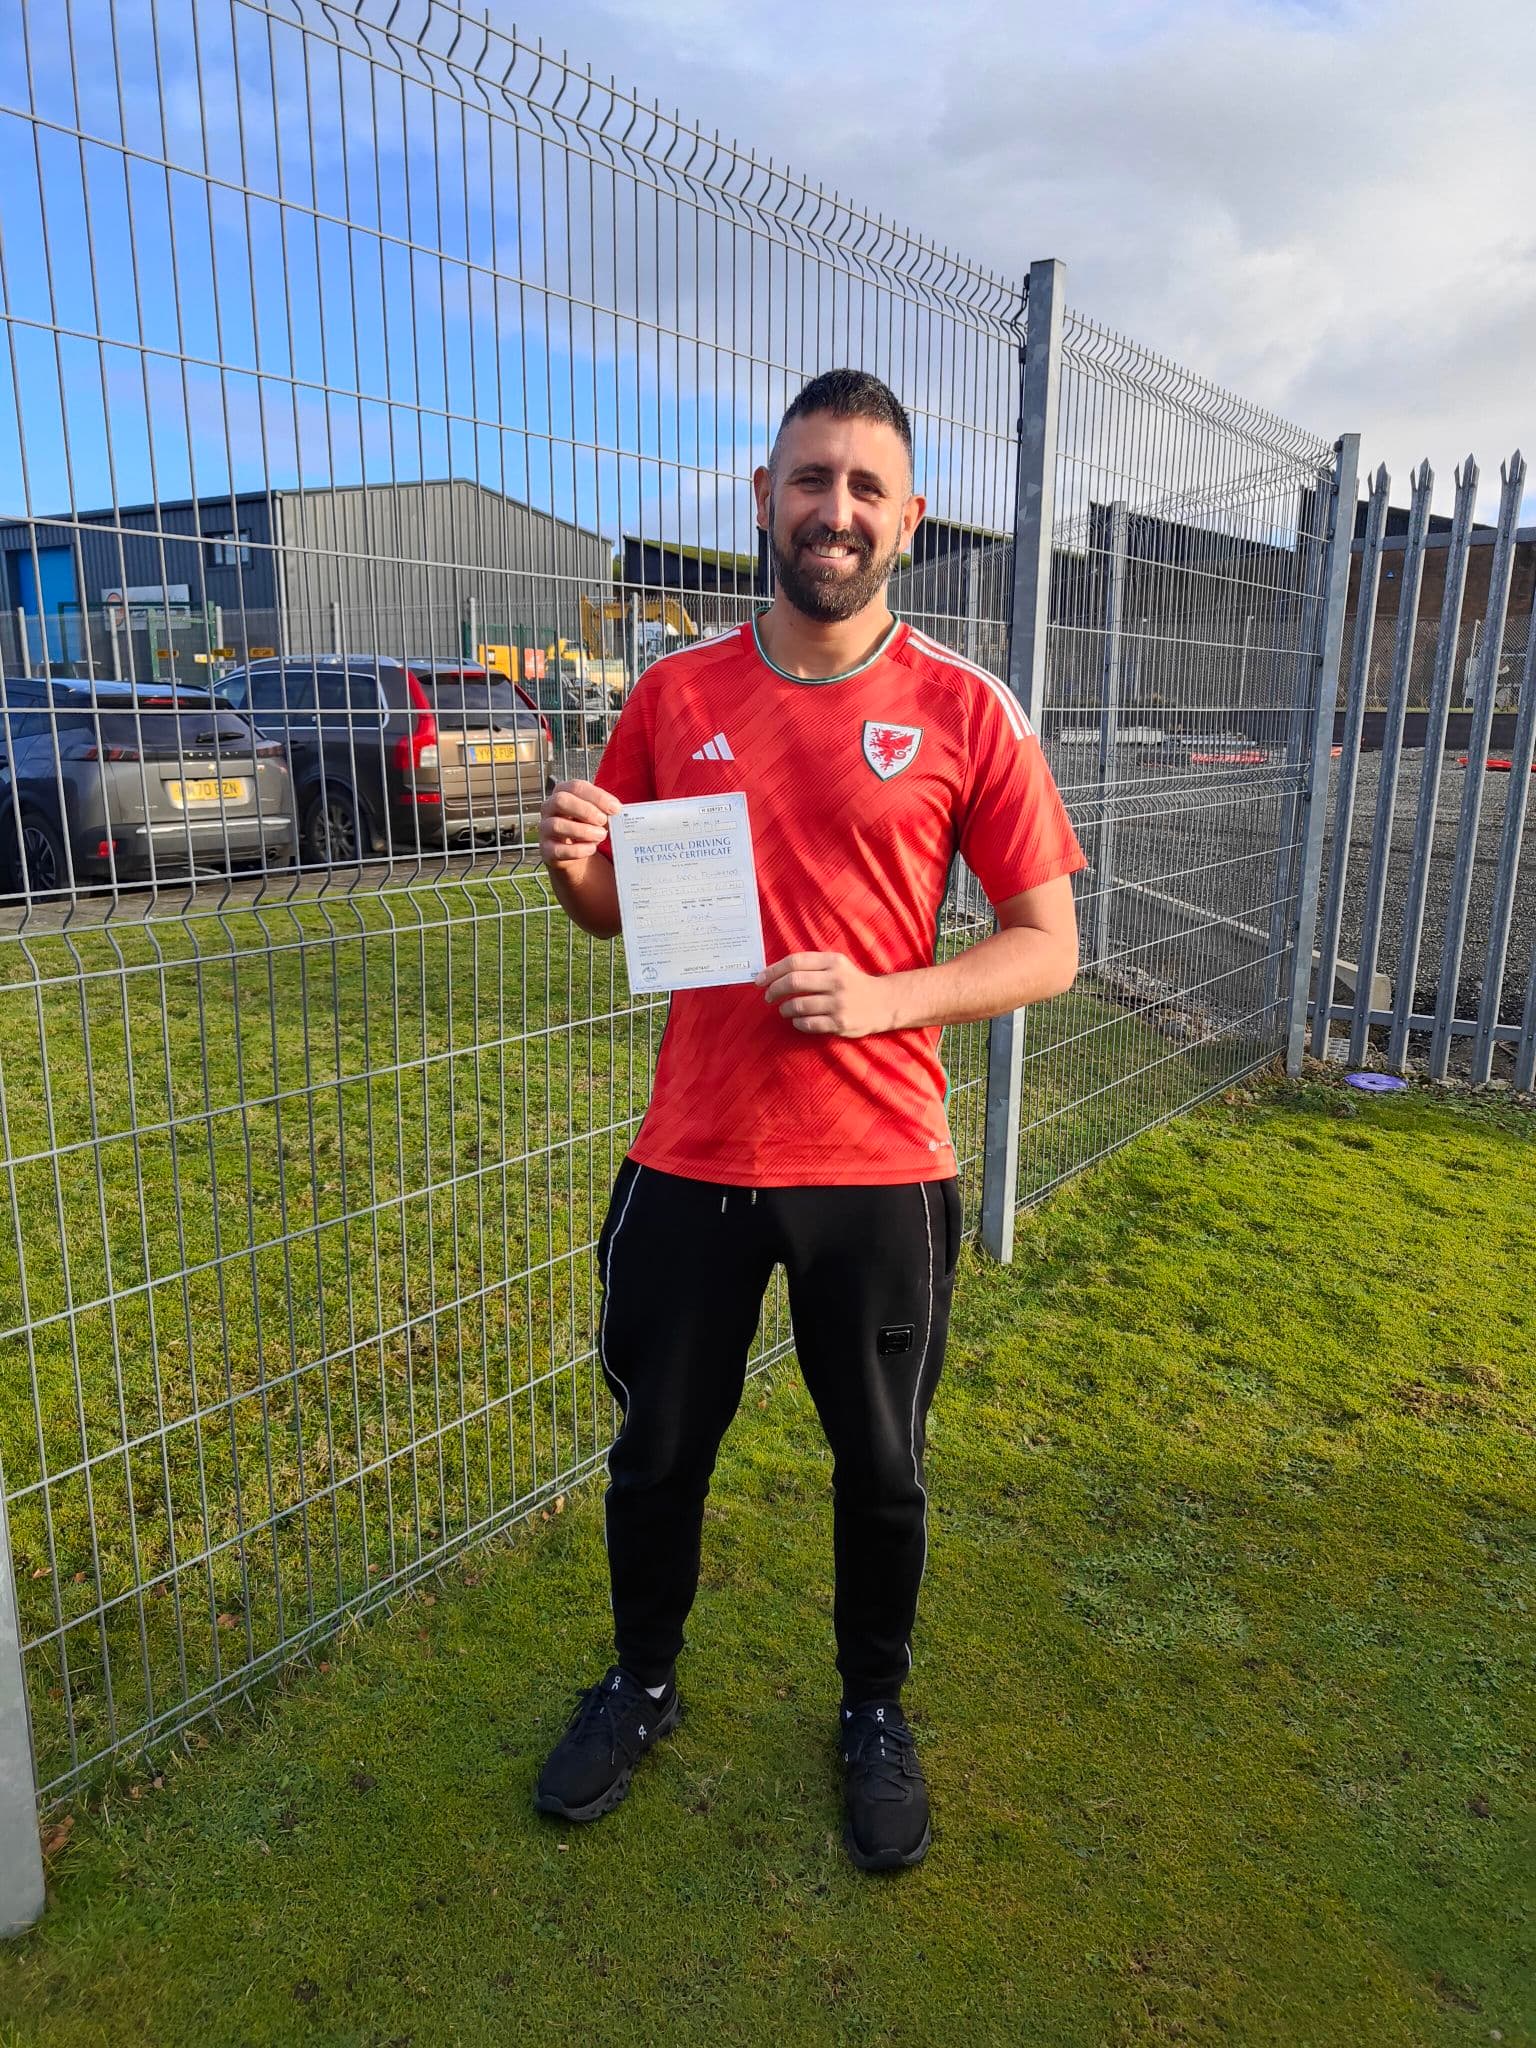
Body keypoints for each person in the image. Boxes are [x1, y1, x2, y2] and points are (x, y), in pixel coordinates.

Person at [532, 368, 1085, 1871]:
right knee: (657, 1454)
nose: (831, 510)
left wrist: (889, 997)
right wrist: (577, 858)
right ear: (763, 499)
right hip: (692, 1152)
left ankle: (873, 1714)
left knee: (883, 1466)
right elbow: (616, 914)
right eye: (807, 479)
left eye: (861, 487)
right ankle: (641, 1683)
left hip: (881, 1168)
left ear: (907, 518)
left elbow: (1049, 944)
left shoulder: (968, 711)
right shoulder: (675, 697)